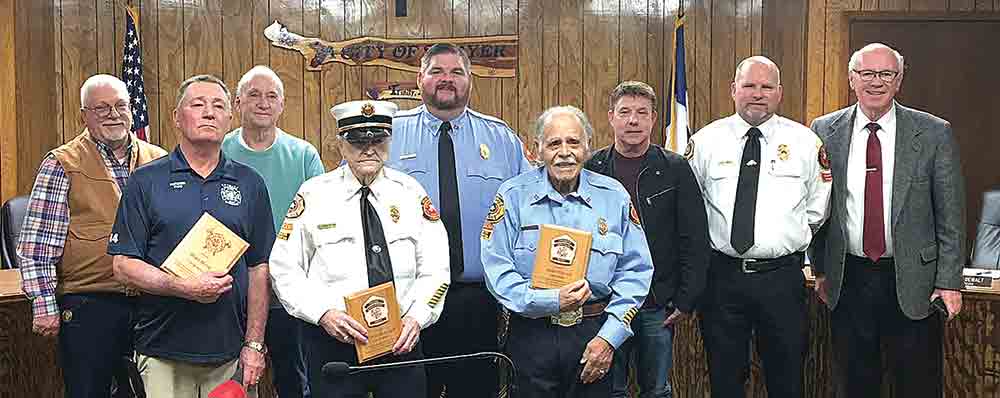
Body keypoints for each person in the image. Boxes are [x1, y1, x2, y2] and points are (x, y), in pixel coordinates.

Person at [810, 43, 965, 398]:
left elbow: (951, 215)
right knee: (853, 383)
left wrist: (949, 281)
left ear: (899, 80)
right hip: (848, 278)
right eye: (867, 73)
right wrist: (820, 268)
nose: (876, 82)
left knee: (917, 384)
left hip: (915, 280)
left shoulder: (933, 132)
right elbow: (819, 205)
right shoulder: (824, 129)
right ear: (852, 79)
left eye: (886, 74)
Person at [269, 100, 450, 398]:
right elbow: (284, 267)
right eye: (357, 141)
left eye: (377, 140)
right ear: (340, 145)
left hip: (400, 341)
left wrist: (418, 316)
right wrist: (323, 313)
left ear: (389, 141)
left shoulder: (410, 193)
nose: (368, 149)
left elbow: (437, 267)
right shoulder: (314, 195)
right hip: (334, 343)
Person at [108, 74, 274, 397]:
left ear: (230, 118)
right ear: (177, 118)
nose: (209, 113)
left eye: (218, 106)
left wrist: (254, 345)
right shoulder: (145, 182)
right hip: (161, 354)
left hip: (230, 354)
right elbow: (123, 265)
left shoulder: (250, 184)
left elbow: (259, 269)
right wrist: (180, 286)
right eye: (198, 105)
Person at [388, 43, 531, 397]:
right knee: (415, 391)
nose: (446, 79)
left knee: (476, 390)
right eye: (436, 71)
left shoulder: (501, 138)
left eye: (457, 72)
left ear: (470, 80)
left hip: (478, 299)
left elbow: (529, 207)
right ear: (419, 78)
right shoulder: (388, 133)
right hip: (408, 298)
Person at [481, 105, 653, 398]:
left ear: (587, 146)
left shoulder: (613, 197)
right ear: (537, 150)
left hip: (593, 333)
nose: (564, 152)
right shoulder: (512, 196)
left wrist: (609, 339)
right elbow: (496, 270)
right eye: (553, 143)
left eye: (573, 142)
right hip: (532, 333)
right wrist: (550, 300)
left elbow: (635, 272)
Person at [15, 74, 167, 398]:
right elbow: (37, 245)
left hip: (154, 302)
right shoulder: (62, 163)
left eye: (120, 106)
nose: (114, 114)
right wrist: (43, 303)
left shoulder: (161, 160)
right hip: (90, 303)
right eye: (101, 108)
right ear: (83, 115)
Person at [688, 56, 831, 398]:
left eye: (766, 86)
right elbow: (692, 209)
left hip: (781, 278)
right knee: (724, 376)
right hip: (722, 278)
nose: (757, 93)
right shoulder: (705, 142)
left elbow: (818, 206)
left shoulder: (805, 142)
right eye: (749, 85)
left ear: (779, 93)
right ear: (733, 89)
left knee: (787, 376)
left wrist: (784, 238)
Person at [584, 81, 709, 398]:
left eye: (642, 113)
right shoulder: (592, 169)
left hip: (658, 303)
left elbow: (694, 238)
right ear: (611, 117)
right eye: (625, 112)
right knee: (611, 389)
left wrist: (685, 299)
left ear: (654, 119)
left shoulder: (676, 168)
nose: (633, 120)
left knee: (657, 389)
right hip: (606, 304)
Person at [223, 65, 325, 398]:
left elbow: (321, 222)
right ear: (238, 103)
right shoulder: (218, 151)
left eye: (272, 96)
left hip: (290, 292)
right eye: (253, 95)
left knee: (295, 379)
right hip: (230, 291)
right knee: (232, 379)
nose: (263, 103)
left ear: (282, 105)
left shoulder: (304, 155)